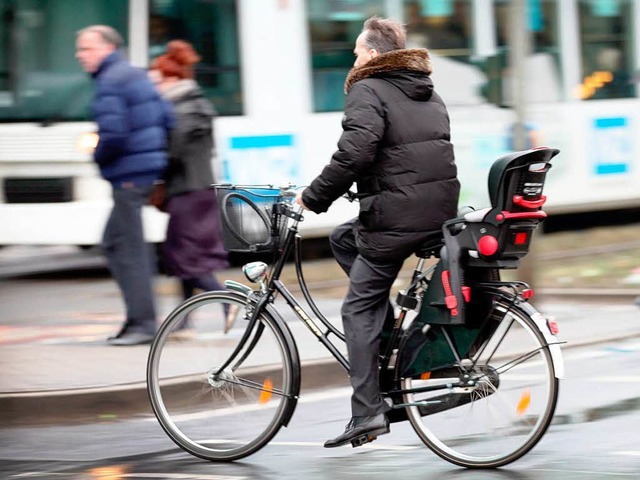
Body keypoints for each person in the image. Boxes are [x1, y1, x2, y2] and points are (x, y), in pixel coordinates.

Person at [295, 16, 460, 448]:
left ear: (372, 54)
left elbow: (356, 152)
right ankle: (386, 336)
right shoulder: (428, 90)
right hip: (436, 213)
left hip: (396, 219)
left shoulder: (367, 88)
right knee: (343, 238)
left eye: (355, 51)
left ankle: (368, 411)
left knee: (357, 308)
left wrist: (313, 197)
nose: (352, 57)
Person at [75, 25, 173, 346]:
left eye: (86, 48)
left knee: (128, 248)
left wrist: (98, 156)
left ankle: (144, 324)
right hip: (140, 172)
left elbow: (113, 134)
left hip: (129, 175)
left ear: (106, 47)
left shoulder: (111, 80)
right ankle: (137, 319)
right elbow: (167, 117)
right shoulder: (132, 74)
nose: (80, 55)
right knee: (117, 244)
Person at [149, 41, 231, 334]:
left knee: (185, 258)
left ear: (173, 80)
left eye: (157, 80)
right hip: (189, 190)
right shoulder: (186, 105)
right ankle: (184, 320)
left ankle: (229, 302)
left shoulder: (186, 108)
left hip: (191, 191)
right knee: (183, 256)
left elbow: (174, 152)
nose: (154, 86)